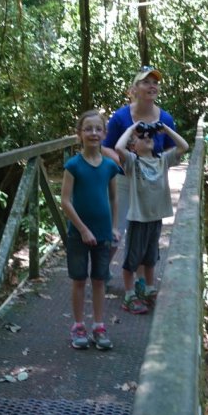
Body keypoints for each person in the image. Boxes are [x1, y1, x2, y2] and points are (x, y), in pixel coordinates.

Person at [114, 119, 190, 314]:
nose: (147, 137)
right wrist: (132, 128)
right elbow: (118, 147)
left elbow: (185, 146)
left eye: (150, 136)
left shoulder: (162, 160)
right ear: (133, 146)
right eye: (142, 137)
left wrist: (164, 129)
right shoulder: (133, 161)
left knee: (150, 258)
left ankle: (148, 288)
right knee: (132, 259)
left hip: (155, 218)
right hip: (138, 218)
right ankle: (129, 295)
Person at [62, 109, 121, 350]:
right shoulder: (73, 165)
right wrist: (83, 229)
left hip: (104, 232)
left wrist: (115, 227)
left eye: (98, 129)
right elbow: (65, 201)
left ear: (104, 133)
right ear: (79, 134)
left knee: (99, 280)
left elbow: (114, 199)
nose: (93, 133)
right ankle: (78, 325)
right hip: (78, 233)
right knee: (78, 280)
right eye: (88, 129)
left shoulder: (109, 166)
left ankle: (98, 325)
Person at [102, 66, 178, 160]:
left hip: (155, 173)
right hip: (124, 173)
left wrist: (158, 163)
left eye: (155, 82)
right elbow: (105, 147)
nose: (152, 86)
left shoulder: (166, 119)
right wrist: (125, 165)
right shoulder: (120, 117)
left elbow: (173, 147)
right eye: (146, 82)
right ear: (135, 89)